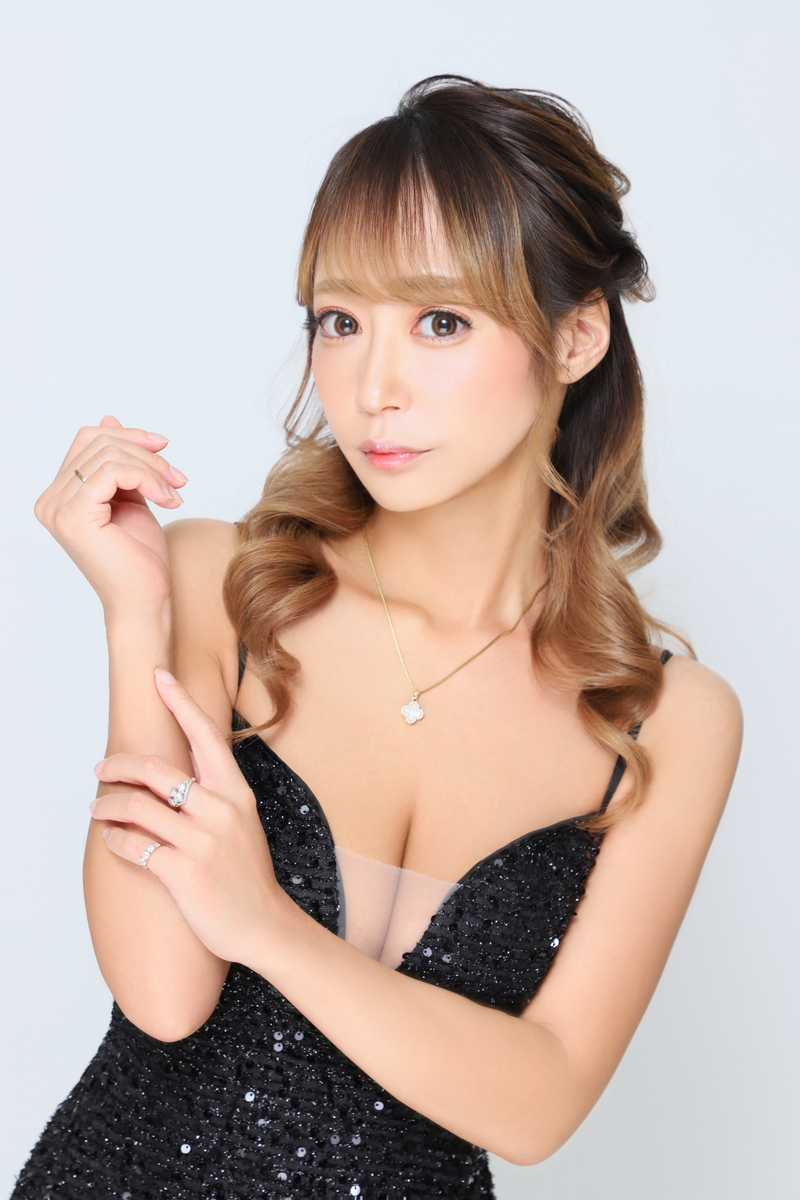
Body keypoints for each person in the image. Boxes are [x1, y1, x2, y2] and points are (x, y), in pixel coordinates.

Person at [14, 76, 742, 1199]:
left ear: (575, 335)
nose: (372, 387)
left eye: (440, 322)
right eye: (340, 322)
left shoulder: (663, 718)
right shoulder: (218, 584)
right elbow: (162, 996)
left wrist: (268, 923)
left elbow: (539, 1103)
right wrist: (133, 616)